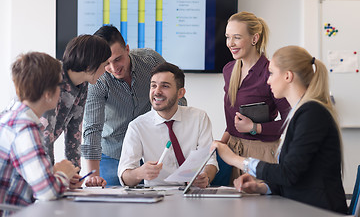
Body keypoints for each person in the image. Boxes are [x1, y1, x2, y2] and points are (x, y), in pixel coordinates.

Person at [212, 46, 348, 214]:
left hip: (318, 210)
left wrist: (235, 159)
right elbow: (296, 174)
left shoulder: (312, 113)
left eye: (271, 73)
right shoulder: (300, 112)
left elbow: (288, 173)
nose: (268, 80)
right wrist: (261, 187)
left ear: (287, 76)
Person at [82, 26, 186, 186]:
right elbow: (92, 130)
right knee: (110, 204)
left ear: (127, 49)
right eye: (106, 63)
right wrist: (93, 176)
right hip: (112, 152)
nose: (114, 68)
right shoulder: (99, 80)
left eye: (118, 59)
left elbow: (175, 96)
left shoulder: (151, 61)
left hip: (150, 150)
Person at [0, 52, 80, 216]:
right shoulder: (25, 127)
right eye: (59, 85)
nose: (62, 90)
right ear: (48, 93)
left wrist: (55, 173)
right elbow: (47, 192)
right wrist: (63, 173)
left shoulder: (9, 118)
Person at [118, 62, 218, 187]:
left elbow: (211, 162)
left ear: (180, 93)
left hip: (193, 193)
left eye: (165, 86)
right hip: (157, 195)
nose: (157, 91)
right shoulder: (137, 126)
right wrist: (140, 173)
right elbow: (125, 176)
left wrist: (205, 177)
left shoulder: (199, 118)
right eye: (153, 86)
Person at [220, 11, 290, 183]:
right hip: (232, 151)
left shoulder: (270, 73)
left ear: (254, 38)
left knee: (258, 208)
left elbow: (290, 121)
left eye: (237, 37)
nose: (230, 43)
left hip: (261, 153)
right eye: (228, 37)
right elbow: (232, 119)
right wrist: (220, 145)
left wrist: (255, 127)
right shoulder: (229, 70)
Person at [40, 35, 111, 187]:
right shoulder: (54, 77)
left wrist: (74, 175)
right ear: (91, 64)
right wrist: (53, 179)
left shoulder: (84, 85)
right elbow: (45, 135)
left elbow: (75, 132)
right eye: (104, 65)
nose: (106, 71)